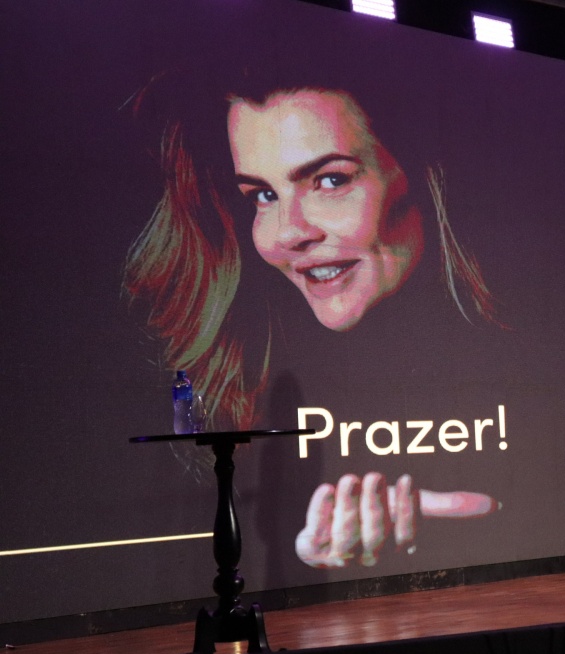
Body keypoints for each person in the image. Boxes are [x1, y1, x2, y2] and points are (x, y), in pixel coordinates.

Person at [123, 62, 502, 568]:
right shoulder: (228, 385)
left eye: (330, 180)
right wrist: (299, 559)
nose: (287, 233)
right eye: (263, 195)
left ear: (423, 176)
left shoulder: (528, 350)